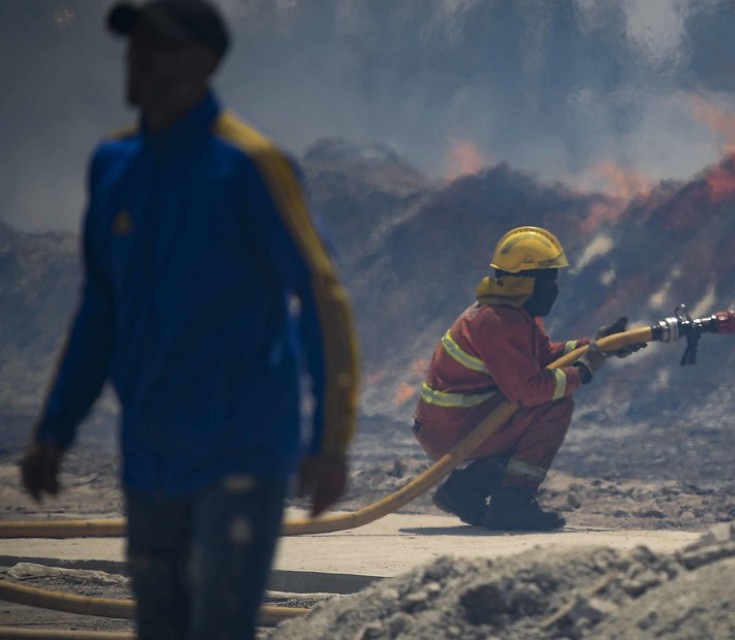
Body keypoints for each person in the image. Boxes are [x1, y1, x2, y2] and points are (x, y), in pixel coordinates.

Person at [16, 1, 361, 638]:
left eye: (159, 47)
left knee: (220, 626)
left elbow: (321, 298)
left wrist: (330, 441)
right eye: (135, 46)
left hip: (241, 447)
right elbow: (100, 309)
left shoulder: (250, 165)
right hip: (150, 453)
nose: (139, 60)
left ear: (204, 62)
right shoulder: (114, 165)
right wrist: (54, 428)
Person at [412, 226, 642, 531]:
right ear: (524, 281)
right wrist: (584, 371)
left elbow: (545, 355)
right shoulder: (498, 321)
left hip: (458, 421)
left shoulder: (513, 313)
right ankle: (513, 504)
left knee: (532, 412)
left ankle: (466, 490)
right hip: (454, 428)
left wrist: (597, 345)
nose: (554, 287)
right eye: (547, 280)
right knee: (552, 407)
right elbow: (529, 391)